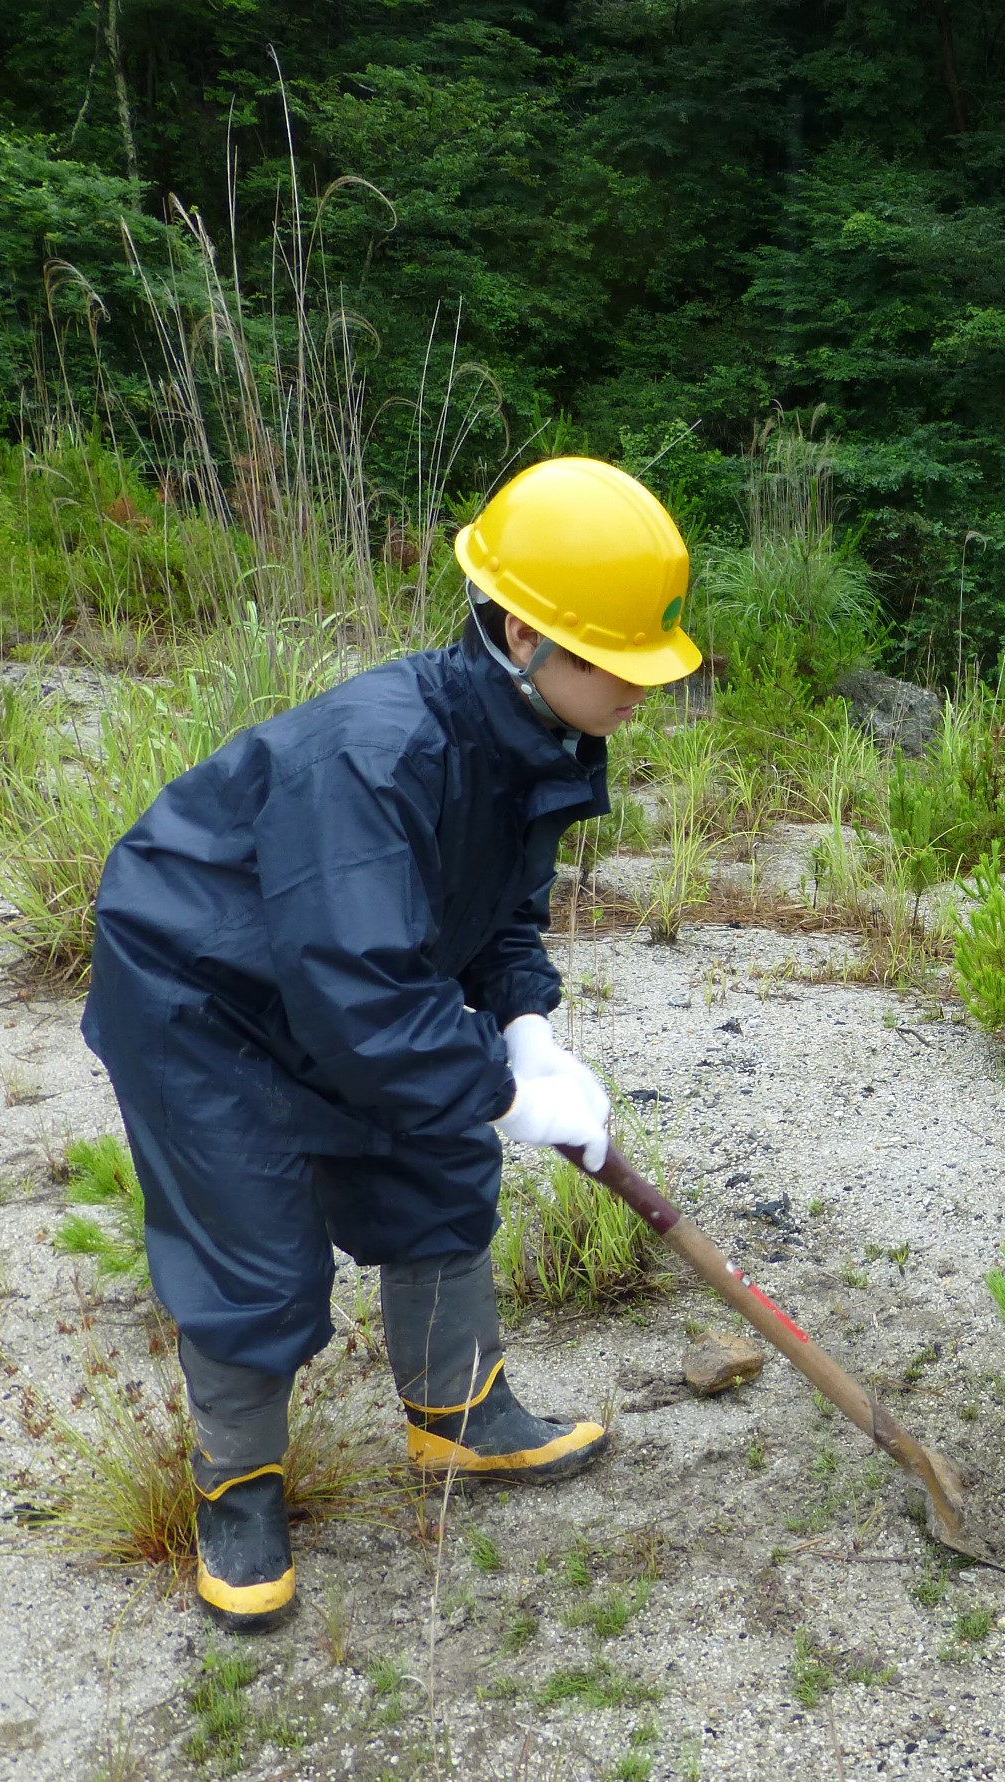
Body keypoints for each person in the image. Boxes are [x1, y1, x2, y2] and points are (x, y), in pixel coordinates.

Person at [82, 457, 702, 1631]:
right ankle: (240, 1492)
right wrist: (502, 1094)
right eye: (614, 664)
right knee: (255, 1251)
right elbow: (362, 997)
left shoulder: (537, 740)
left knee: (433, 1161)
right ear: (521, 632)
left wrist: (524, 1025)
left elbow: (494, 912)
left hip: (333, 973)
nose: (638, 691)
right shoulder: (377, 753)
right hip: (202, 991)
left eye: (648, 665)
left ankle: (457, 1415)